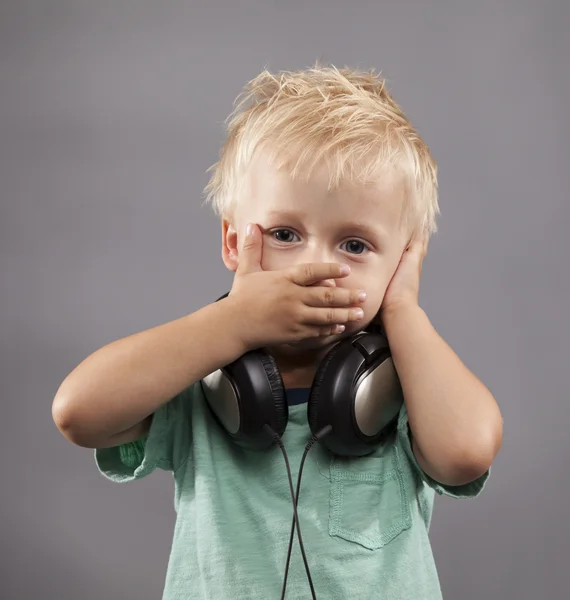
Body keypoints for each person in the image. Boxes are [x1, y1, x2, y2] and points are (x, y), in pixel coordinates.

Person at [52, 63, 503, 600]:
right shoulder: (201, 377)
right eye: (286, 234)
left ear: (401, 263)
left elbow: (468, 452)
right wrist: (232, 321)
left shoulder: (409, 382)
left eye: (355, 246)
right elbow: (78, 412)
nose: (315, 265)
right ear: (232, 242)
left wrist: (403, 310)